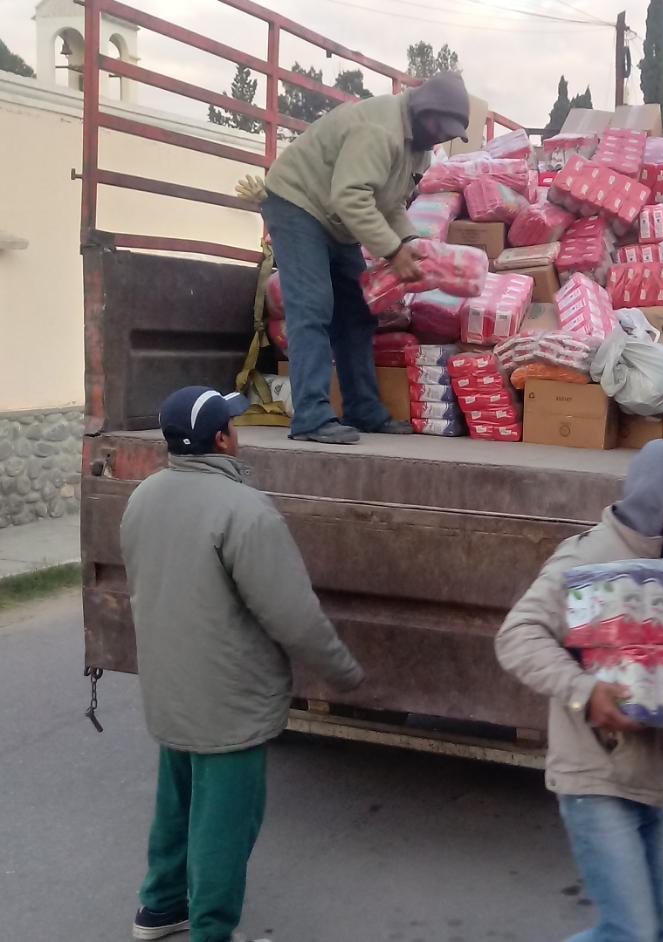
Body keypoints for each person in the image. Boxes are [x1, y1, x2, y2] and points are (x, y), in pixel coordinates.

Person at [122, 386, 365, 942]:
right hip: (229, 698)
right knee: (225, 824)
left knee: (176, 803)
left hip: (171, 687)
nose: (240, 431)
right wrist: (343, 671)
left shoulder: (144, 496)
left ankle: (159, 908)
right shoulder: (244, 512)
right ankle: (212, 932)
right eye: (234, 423)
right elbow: (294, 616)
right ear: (221, 439)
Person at [495, 441, 663, 942]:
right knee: (629, 933)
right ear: (661, 500)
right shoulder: (589, 557)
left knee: (654, 932)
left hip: (649, 780)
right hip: (595, 780)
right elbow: (517, 634)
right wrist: (584, 690)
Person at [262, 71, 471, 444]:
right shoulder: (381, 130)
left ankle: (363, 409)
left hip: (336, 217)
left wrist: (410, 242)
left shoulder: (417, 148)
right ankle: (311, 417)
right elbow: (351, 197)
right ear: (424, 111)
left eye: (451, 132)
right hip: (298, 203)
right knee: (313, 305)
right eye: (443, 126)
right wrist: (392, 250)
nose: (444, 136)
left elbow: (387, 202)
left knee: (358, 311)